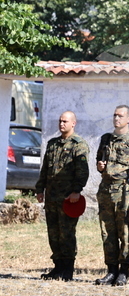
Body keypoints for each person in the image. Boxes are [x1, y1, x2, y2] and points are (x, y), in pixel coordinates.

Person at [94, 105, 129, 287]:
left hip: (125, 190)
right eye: (115, 115)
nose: (116, 118)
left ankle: (124, 271)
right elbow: (99, 160)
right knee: (107, 231)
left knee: (124, 231)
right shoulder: (106, 139)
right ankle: (111, 270)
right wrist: (100, 167)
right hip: (106, 189)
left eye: (120, 116)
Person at [36, 111, 89, 281]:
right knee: (53, 233)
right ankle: (57, 267)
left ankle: (67, 269)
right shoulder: (52, 144)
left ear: (73, 123)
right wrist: (39, 189)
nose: (61, 124)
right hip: (52, 197)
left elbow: (82, 172)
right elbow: (45, 169)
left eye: (65, 121)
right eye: (60, 121)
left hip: (68, 198)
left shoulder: (78, 144)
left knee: (67, 233)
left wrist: (76, 191)